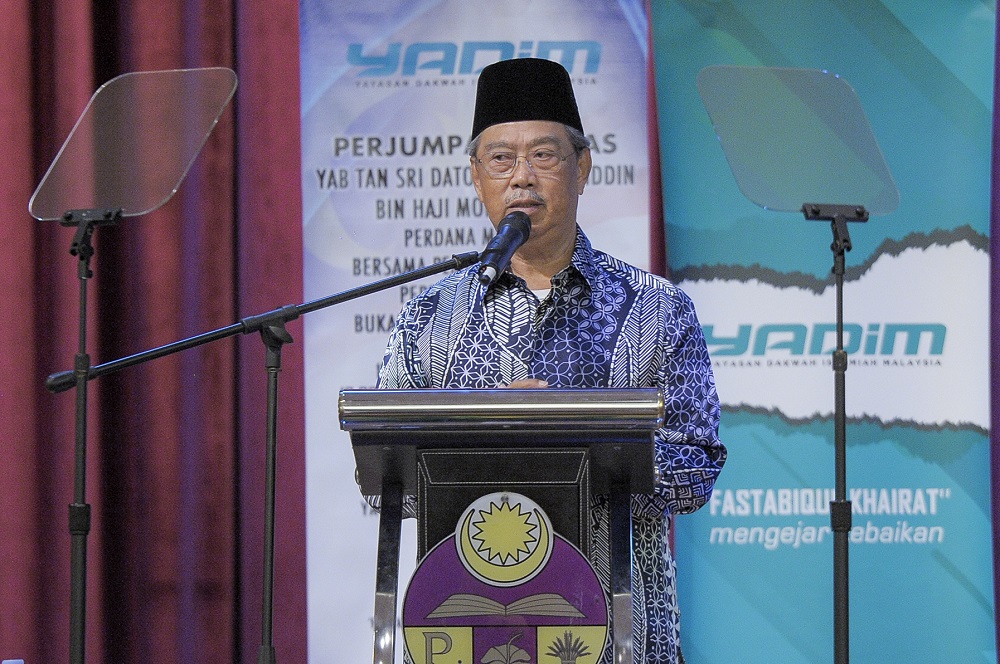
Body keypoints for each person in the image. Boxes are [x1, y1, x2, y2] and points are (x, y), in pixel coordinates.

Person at [375, 57, 726, 664]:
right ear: (476, 176)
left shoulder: (656, 309)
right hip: (461, 631)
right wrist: (487, 432)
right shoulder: (430, 314)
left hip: (619, 633)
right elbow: (388, 483)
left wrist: (577, 436)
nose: (522, 177)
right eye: (501, 159)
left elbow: (696, 469)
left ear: (582, 166)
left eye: (543, 155)